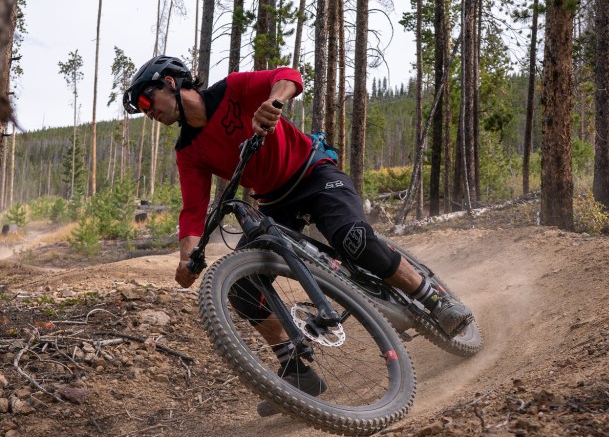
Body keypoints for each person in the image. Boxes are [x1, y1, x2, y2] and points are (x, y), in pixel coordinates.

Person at [123, 55, 473, 397]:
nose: (146, 111)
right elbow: (193, 211)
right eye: (140, 108)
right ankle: (295, 367)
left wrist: (273, 102)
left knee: (353, 240)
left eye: (146, 100)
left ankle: (435, 300)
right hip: (274, 203)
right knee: (243, 288)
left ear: (170, 82)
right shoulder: (187, 150)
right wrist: (187, 258)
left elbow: (289, 75)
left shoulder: (231, 90)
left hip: (314, 174)